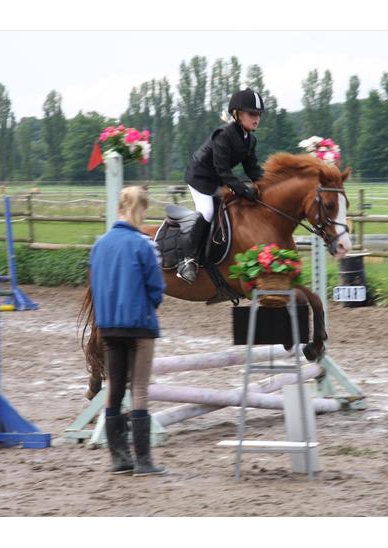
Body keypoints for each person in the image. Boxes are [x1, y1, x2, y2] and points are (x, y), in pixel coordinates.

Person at [89, 185, 166, 476]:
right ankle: (144, 461)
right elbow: (156, 289)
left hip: (109, 326)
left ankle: (119, 458)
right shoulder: (145, 244)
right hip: (140, 325)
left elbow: (95, 285)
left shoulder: (99, 244)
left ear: (119, 209)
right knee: (140, 390)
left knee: (114, 389)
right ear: (142, 210)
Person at [177, 88, 264, 283]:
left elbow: (253, 170)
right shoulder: (224, 135)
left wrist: (267, 186)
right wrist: (244, 190)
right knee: (207, 211)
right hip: (200, 178)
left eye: (258, 115)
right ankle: (187, 259)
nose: (256, 119)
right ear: (237, 114)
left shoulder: (250, 139)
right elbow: (223, 170)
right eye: (252, 114)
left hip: (216, 179)